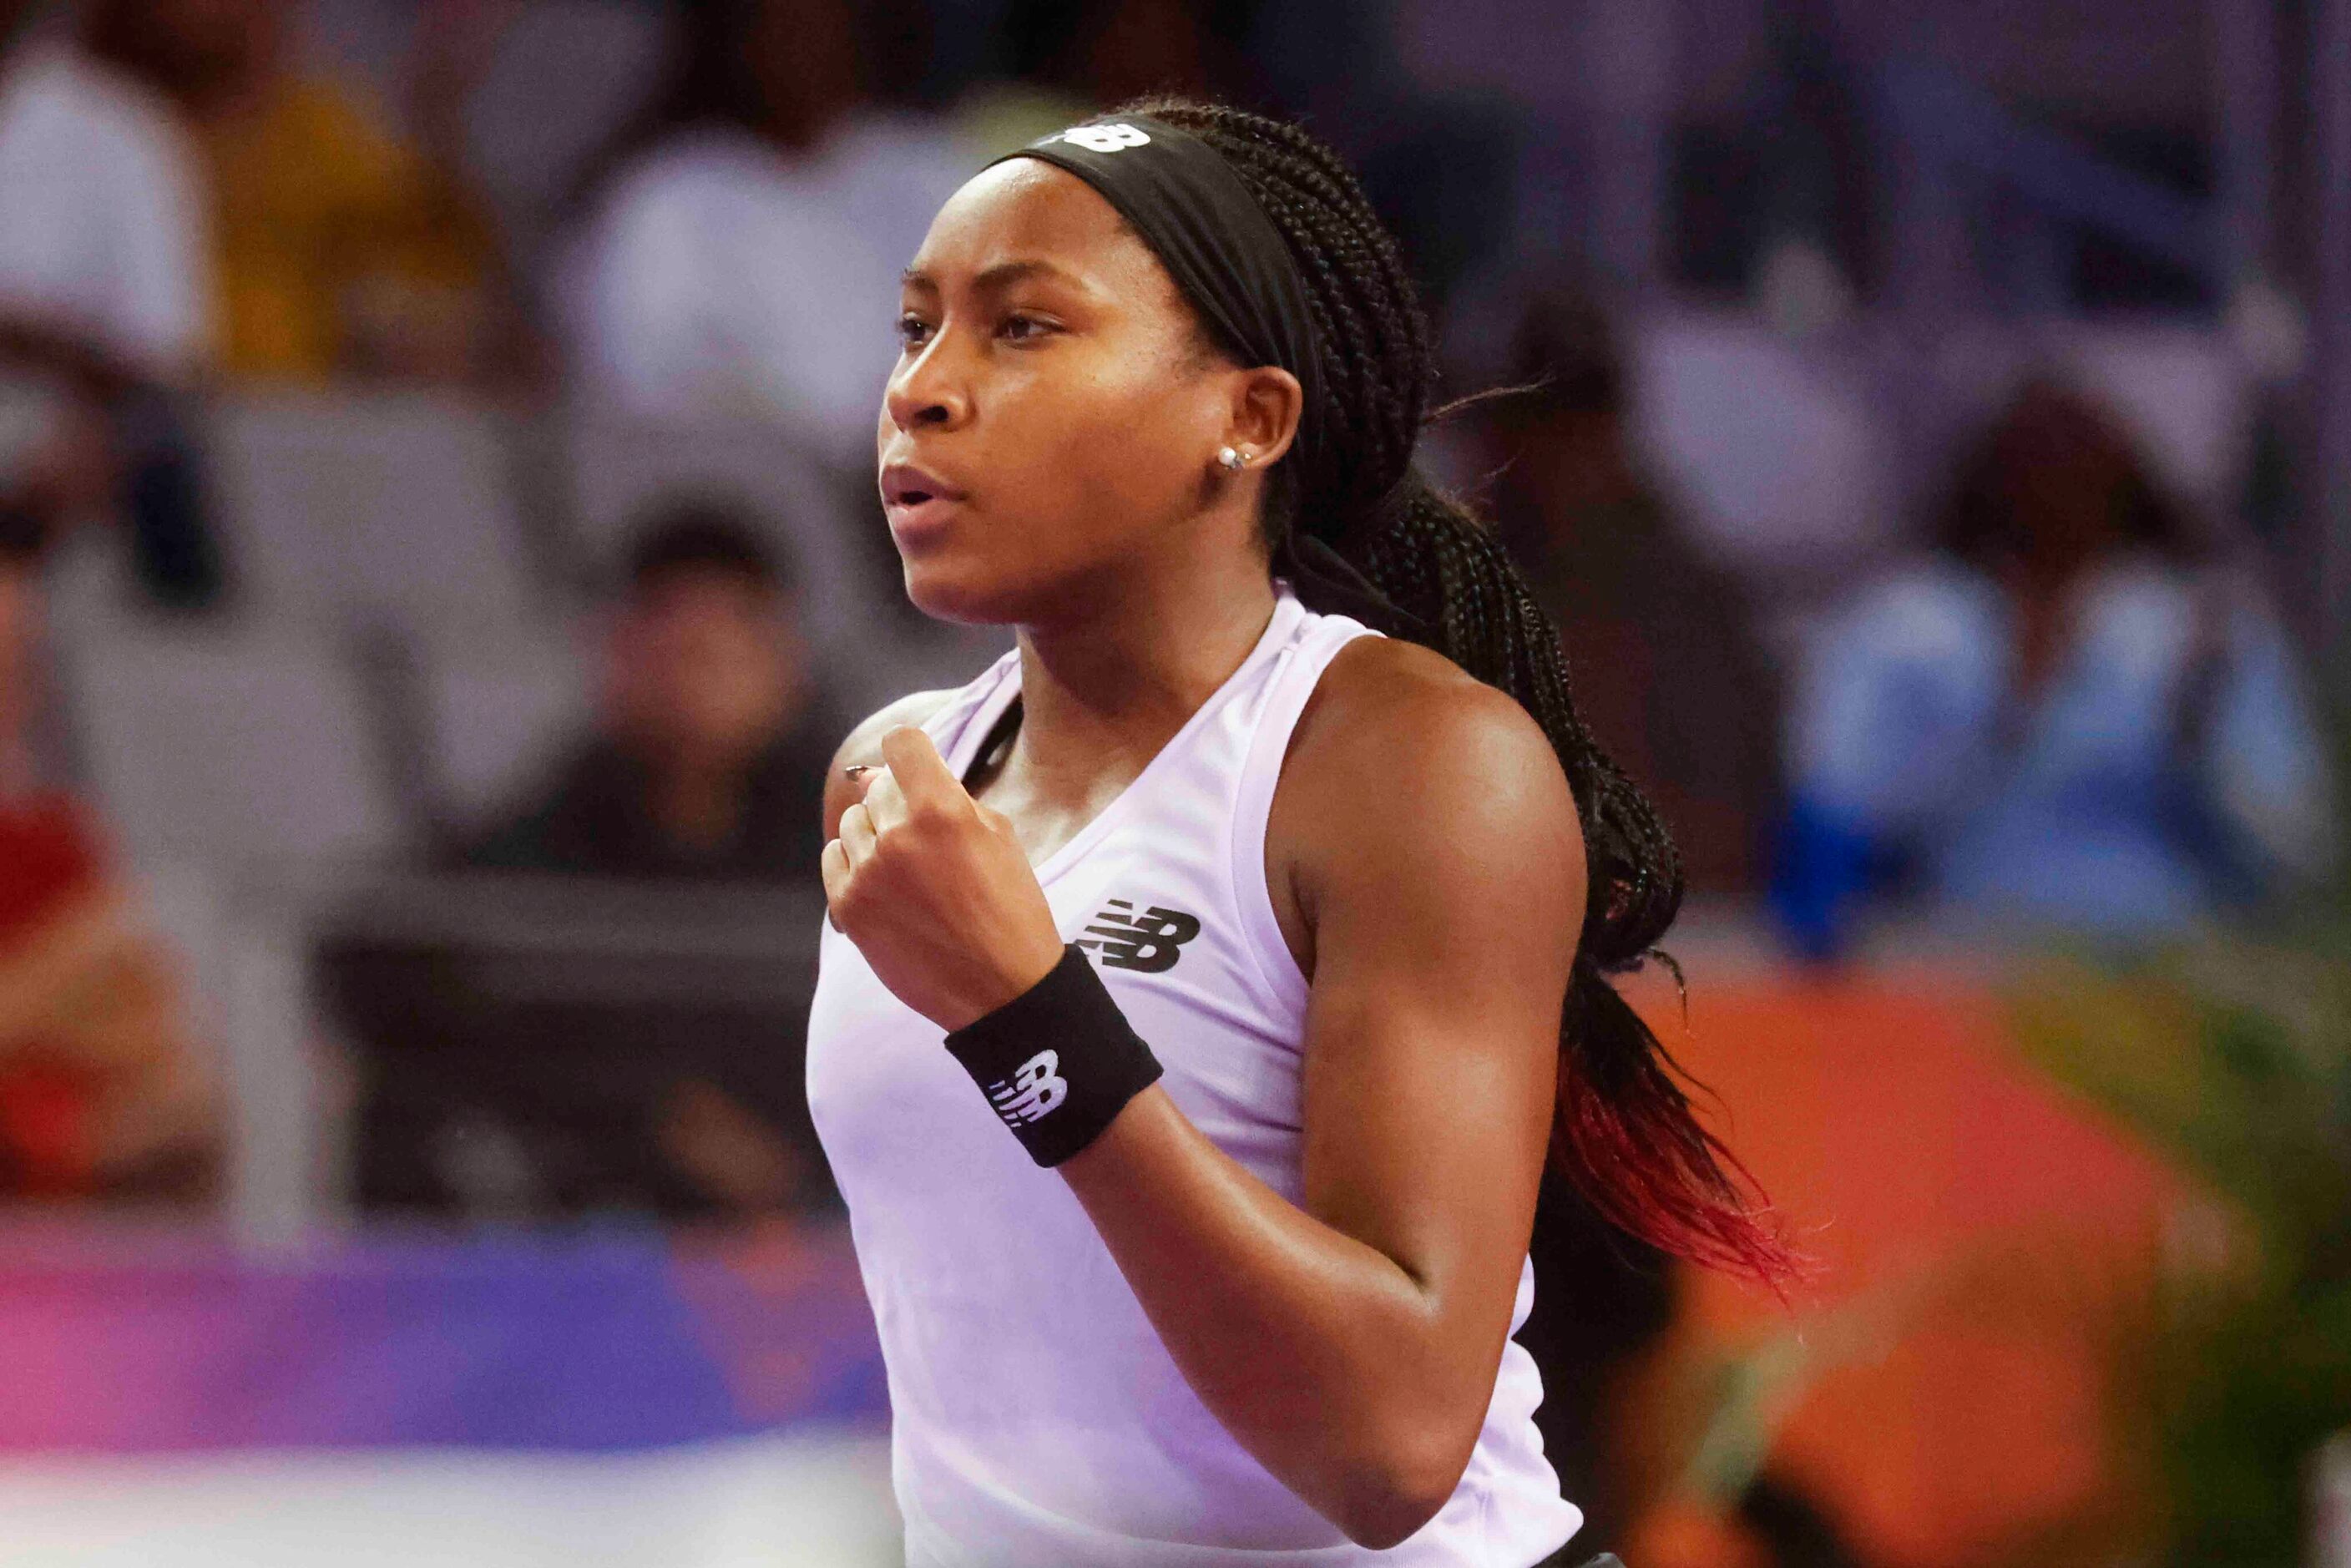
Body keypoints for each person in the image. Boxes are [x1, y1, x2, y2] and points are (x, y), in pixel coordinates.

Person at [806, 101, 1792, 1565]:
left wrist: (1031, 1016)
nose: (924, 391)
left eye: (1023, 330)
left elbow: (1388, 1443)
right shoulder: (900, 776)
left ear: (1247, 419)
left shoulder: (1408, 764)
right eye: (913, 328)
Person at [1773, 378, 2336, 958]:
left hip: (2165, 978)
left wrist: (2193, 730)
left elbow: (2289, 845)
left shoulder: (2203, 636)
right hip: (1960, 981)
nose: (2057, 499)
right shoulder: (1910, 632)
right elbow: (1826, 842)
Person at [557, 0, 968, 458]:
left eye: (822, 23)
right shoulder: (666, 199)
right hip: (743, 489)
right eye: (784, 25)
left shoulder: (928, 172)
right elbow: (645, 391)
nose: (805, 46)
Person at [1479, 281, 1781, 897]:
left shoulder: (1688, 599)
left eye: (1581, 426)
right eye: (1537, 427)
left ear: (1614, 431)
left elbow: (1739, 832)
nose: (1560, 455)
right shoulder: (1453, 581)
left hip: (1683, 939)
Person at [0, 510, 218, 1201]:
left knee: (186, 1114)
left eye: (23, 664)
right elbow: (93, 970)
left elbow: (140, 1026)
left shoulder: (58, 836)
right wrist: (61, 980)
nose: (14, 691)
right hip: (32, 1121)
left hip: (62, 1109)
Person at [463, 505, 837, 882]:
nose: (695, 689)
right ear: (616, 655)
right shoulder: (512, 875)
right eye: (671, 653)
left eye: (719, 657)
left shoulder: (858, 855)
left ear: (788, 663)